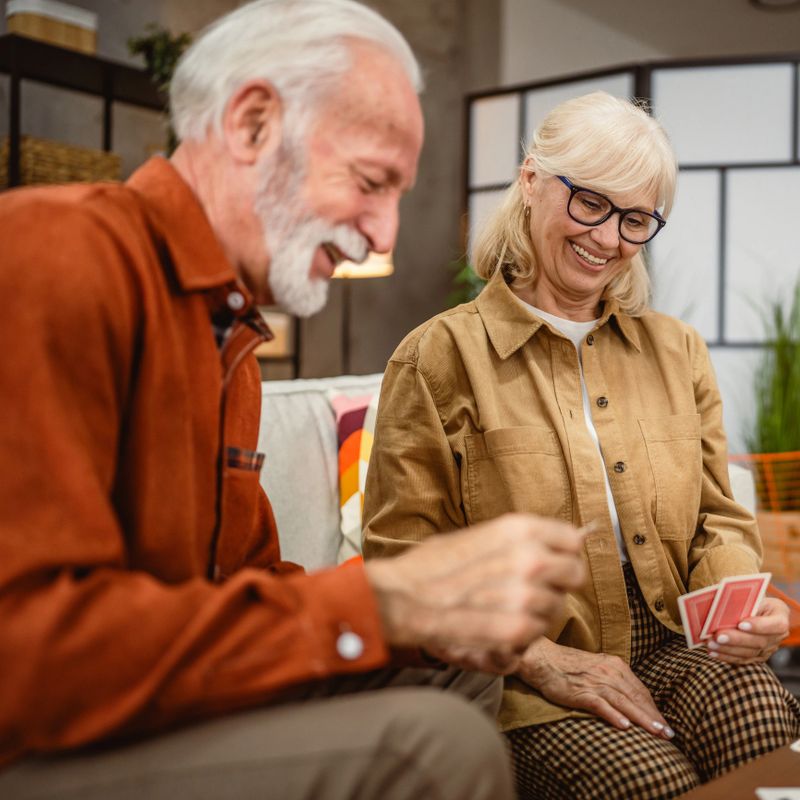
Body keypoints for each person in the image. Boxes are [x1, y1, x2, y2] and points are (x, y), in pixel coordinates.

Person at [0, 2, 588, 798]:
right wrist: (381, 599)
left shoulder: (230, 334)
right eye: (371, 182)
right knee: (433, 742)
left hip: (144, 699)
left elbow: (241, 586)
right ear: (251, 125)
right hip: (30, 741)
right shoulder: (54, 256)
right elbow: (27, 654)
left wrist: (437, 614)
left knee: (456, 676)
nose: (384, 237)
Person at [362, 91, 800, 799]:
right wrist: (538, 660)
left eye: (635, 219)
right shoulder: (437, 358)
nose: (607, 238)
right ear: (532, 181)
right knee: (653, 781)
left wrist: (735, 605)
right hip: (527, 676)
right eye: (590, 202)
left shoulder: (677, 350)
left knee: (760, 724)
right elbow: (402, 563)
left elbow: (719, 516)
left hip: (678, 645)